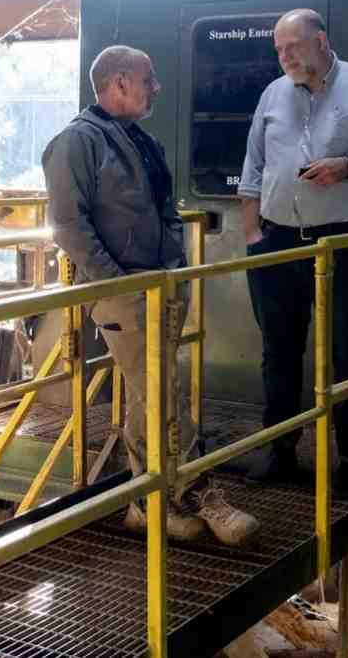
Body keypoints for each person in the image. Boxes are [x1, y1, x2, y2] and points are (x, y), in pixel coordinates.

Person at [43, 45, 260, 545]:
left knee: (149, 394)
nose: (155, 87)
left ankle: (147, 504)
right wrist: (118, 283)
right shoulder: (76, 142)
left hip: (161, 284)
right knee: (163, 392)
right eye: (148, 79)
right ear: (119, 82)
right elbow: (68, 225)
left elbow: (165, 213)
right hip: (124, 291)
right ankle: (201, 493)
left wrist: (174, 267)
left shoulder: (141, 141)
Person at [239, 10, 348, 498]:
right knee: (279, 351)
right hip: (275, 243)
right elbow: (252, 168)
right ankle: (280, 449)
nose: (284, 56)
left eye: (292, 46)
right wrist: (252, 236)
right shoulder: (272, 95)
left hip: (340, 243)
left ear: (321, 40)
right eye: (278, 49)